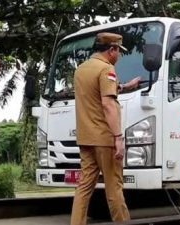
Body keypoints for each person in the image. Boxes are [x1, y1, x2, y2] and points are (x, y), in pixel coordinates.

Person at [71, 32, 141, 225]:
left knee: (84, 188)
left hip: (86, 139)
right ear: (112, 50)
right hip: (105, 140)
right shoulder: (106, 69)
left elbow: (96, 91)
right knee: (114, 188)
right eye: (118, 51)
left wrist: (126, 86)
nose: (118, 56)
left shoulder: (81, 70)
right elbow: (108, 105)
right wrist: (118, 138)